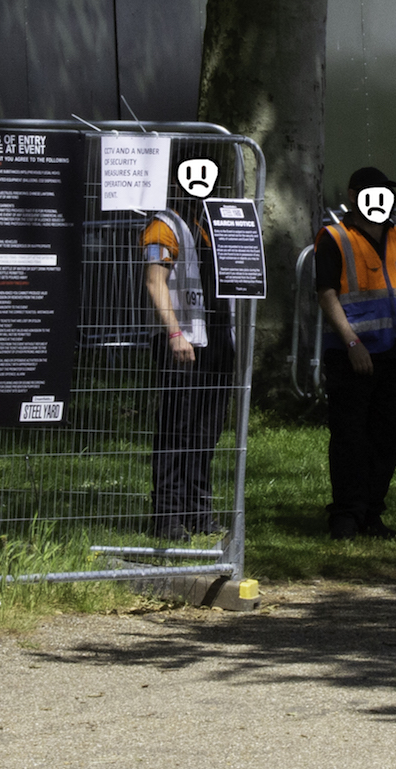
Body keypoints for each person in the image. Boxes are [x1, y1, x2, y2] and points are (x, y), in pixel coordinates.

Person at [316, 165, 396, 540]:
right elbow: (326, 293)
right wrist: (352, 343)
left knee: (388, 439)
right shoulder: (334, 237)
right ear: (353, 197)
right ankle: (346, 515)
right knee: (350, 437)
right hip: (352, 355)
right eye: (371, 192)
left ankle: (371, 512)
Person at [143, 189, 236, 540]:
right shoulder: (162, 226)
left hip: (217, 343)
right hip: (183, 341)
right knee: (175, 431)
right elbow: (155, 282)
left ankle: (198, 513)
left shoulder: (213, 224)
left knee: (205, 433)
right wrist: (174, 334)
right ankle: (166, 517)